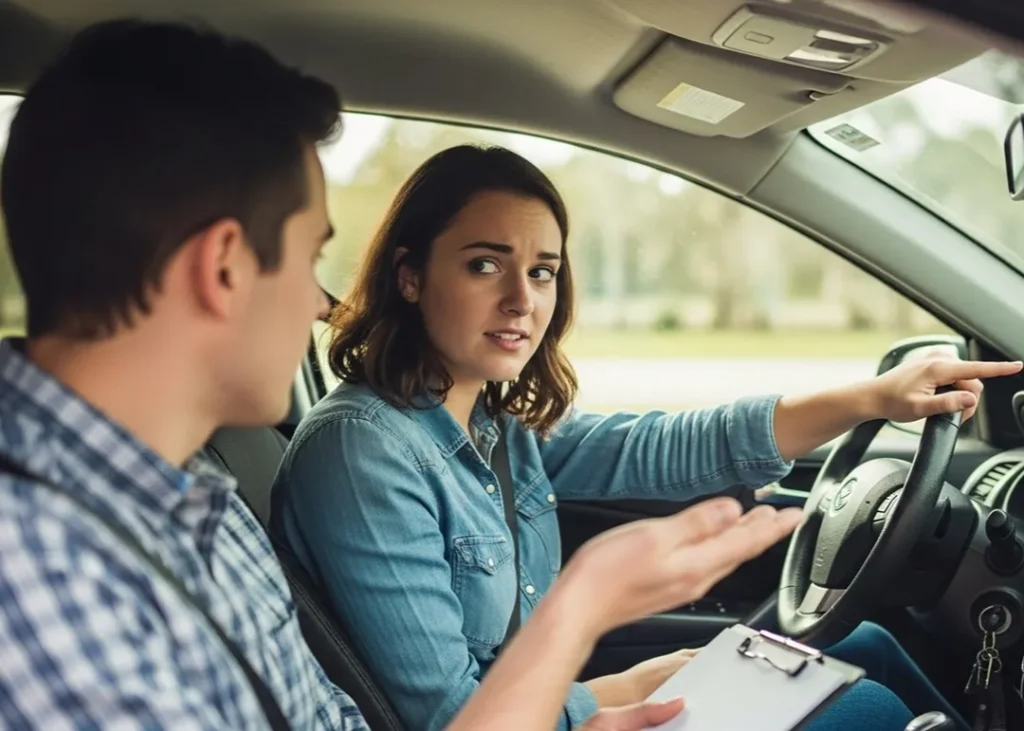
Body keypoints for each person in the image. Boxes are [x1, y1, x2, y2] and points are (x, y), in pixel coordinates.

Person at [0, 19, 809, 731]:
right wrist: (579, 613)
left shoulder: (193, 502)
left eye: (544, 272)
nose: (323, 303)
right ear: (224, 269)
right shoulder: (42, 577)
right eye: (312, 258)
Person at [271, 144, 1020, 731]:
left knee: (870, 653)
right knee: (871, 713)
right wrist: (614, 691)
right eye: (484, 264)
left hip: (547, 701)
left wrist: (873, 397)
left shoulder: (491, 424)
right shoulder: (363, 450)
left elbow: (667, 445)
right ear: (409, 276)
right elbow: (452, 717)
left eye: (542, 272)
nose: (521, 300)